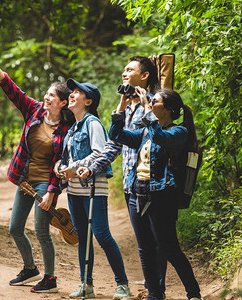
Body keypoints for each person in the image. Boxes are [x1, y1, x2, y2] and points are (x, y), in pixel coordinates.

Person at [0, 48, 74, 293]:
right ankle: (30, 269)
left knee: (42, 230)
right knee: (15, 228)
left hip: (45, 184)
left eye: (51, 96)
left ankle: (50, 278)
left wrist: (52, 193)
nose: (46, 98)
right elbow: (13, 91)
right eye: (46, 94)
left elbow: (61, 163)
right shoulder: (34, 110)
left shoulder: (66, 130)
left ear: (62, 103)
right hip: (25, 180)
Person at [76, 56, 168, 297]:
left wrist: (146, 104)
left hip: (152, 183)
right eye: (124, 69)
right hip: (130, 184)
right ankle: (152, 290)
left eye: (130, 69)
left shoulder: (156, 103)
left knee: (158, 241)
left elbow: (159, 136)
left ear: (145, 75)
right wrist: (93, 167)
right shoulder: (127, 107)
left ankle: (157, 290)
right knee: (144, 244)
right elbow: (114, 145)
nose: (124, 72)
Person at [108, 87, 202, 300]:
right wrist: (121, 107)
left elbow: (161, 138)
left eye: (155, 101)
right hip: (137, 193)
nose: (150, 103)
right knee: (145, 249)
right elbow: (116, 134)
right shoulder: (144, 132)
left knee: (169, 248)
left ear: (168, 109)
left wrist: (145, 110)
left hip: (161, 196)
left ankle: (193, 293)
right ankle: (154, 294)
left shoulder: (178, 132)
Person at [55, 78, 132, 299]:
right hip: (74, 190)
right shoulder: (72, 129)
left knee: (102, 234)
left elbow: (100, 153)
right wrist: (61, 167)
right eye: (72, 91)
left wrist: (74, 167)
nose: (71, 94)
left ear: (88, 101)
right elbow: (67, 157)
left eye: (77, 92)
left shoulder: (93, 123)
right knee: (83, 237)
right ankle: (86, 285)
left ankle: (122, 284)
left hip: (93, 188)